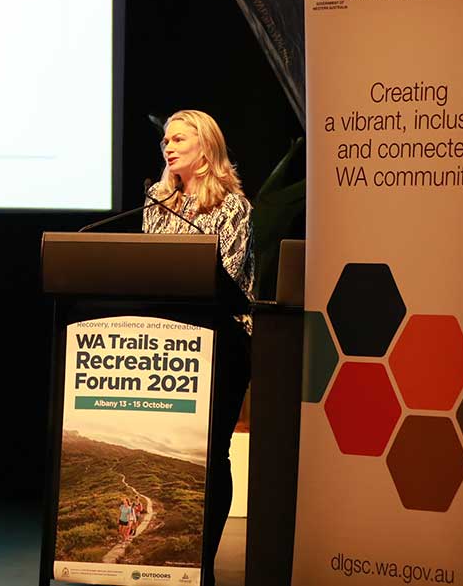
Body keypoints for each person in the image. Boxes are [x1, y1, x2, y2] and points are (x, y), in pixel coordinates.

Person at [142, 109, 254, 586]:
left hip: (222, 340)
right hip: (166, 343)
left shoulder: (232, 205)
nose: (168, 147)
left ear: (205, 147)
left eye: (179, 139)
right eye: (165, 140)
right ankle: (160, 561)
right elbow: (145, 264)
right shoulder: (155, 198)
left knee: (213, 452)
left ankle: (202, 563)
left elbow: (227, 277)